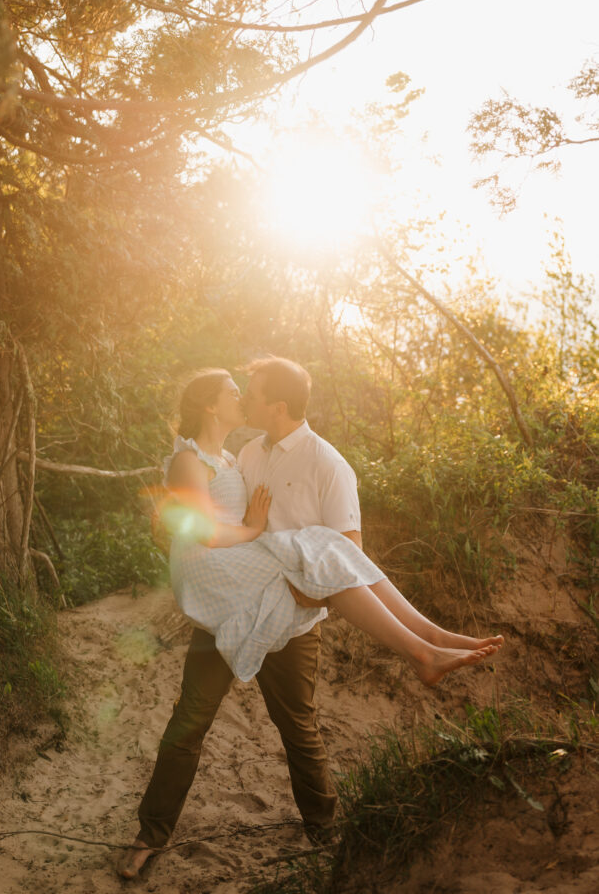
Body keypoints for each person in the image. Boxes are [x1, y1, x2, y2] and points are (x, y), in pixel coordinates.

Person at [117, 359, 503, 878]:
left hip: (291, 610)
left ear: (276, 405)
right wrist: (249, 530)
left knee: (299, 725)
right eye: (235, 391)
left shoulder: (321, 463)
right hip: (231, 596)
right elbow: (202, 526)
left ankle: (325, 828)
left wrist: (309, 592)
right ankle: (150, 834)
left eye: (248, 392)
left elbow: (351, 551)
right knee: (190, 721)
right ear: (212, 404)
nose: (243, 398)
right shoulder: (238, 454)